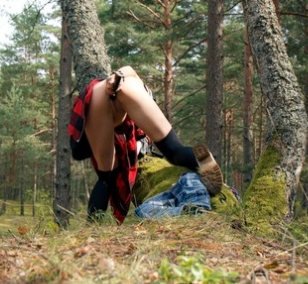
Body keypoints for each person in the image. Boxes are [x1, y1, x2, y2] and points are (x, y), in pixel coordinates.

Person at [69, 66, 223, 223]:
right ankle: (201, 159)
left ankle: (92, 226)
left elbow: (104, 159)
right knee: (174, 150)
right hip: (129, 83)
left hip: (102, 94)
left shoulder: (96, 108)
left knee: (106, 177)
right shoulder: (130, 88)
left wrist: (114, 79)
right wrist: (118, 75)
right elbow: (128, 70)